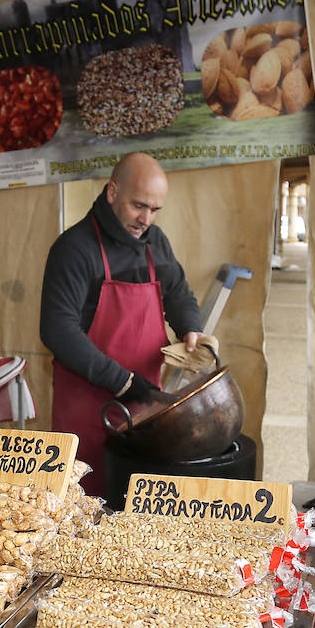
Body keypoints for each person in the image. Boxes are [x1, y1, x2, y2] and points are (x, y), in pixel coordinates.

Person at [39, 152, 207, 495]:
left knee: (133, 506)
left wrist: (191, 328)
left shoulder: (155, 242)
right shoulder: (74, 249)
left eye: (155, 209)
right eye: (139, 206)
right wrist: (122, 381)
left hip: (143, 409)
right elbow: (58, 329)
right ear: (112, 192)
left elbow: (177, 293)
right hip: (85, 410)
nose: (146, 218)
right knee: (82, 504)